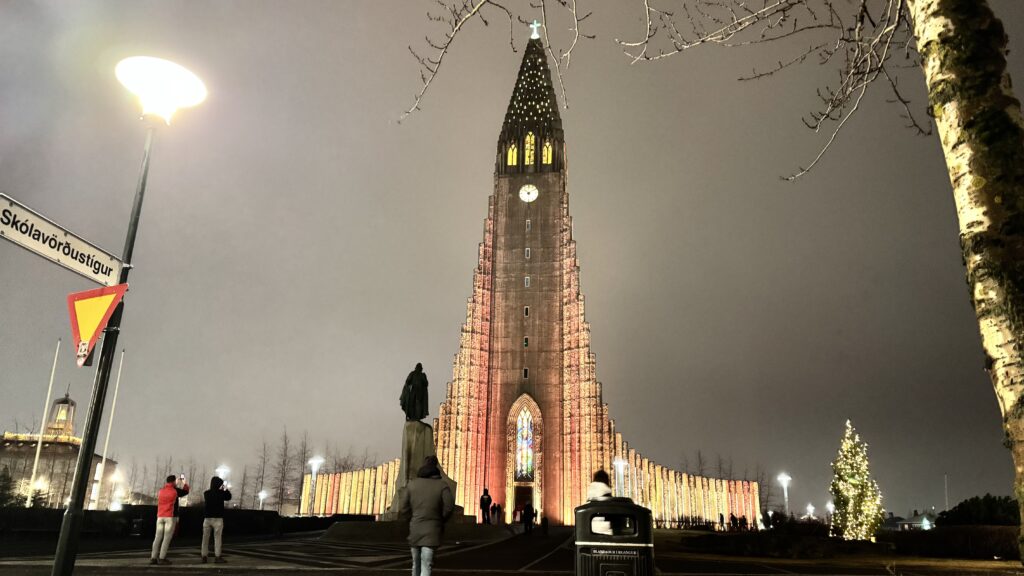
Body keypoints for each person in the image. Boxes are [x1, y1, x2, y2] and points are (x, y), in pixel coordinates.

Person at [399, 456, 454, 576]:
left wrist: (412, 519)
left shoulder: (412, 485)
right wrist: (440, 519)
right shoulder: (442, 486)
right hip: (432, 530)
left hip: (415, 529)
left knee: (415, 564)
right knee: (426, 564)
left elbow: (403, 508)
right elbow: (449, 507)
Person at [151, 474, 189, 565]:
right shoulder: (175, 491)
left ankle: (153, 557)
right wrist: (184, 482)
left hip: (160, 516)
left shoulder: (161, 491)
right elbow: (185, 491)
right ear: (173, 482)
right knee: (166, 538)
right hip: (170, 517)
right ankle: (162, 558)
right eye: (175, 481)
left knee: (157, 537)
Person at [201, 476, 232, 563]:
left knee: (205, 538)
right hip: (218, 519)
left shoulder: (206, 493)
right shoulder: (221, 493)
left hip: (207, 518)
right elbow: (229, 497)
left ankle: (204, 556)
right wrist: (225, 488)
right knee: (217, 538)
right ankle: (217, 557)